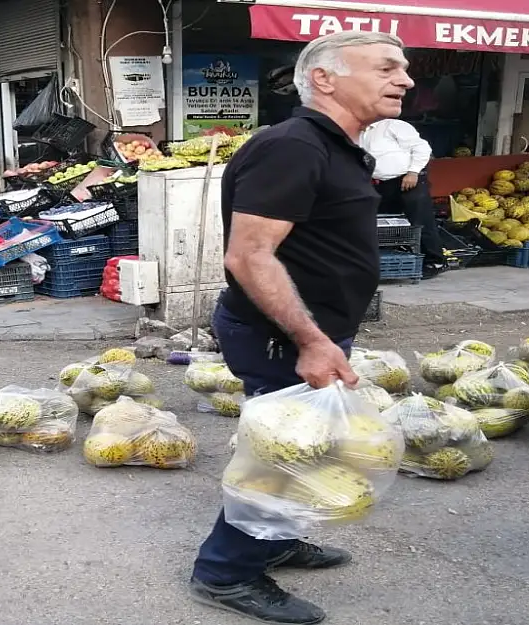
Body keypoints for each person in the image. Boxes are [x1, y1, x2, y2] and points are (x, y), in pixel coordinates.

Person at [187, 31, 414, 624]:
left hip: (311, 328)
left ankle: (276, 540)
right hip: (282, 334)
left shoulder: (335, 147)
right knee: (285, 454)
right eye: (387, 68)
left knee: (304, 448)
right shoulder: (292, 147)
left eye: (404, 69)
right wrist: (311, 341)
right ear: (324, 78)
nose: (405, 80)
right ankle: (226, 573)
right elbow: (249, 256)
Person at [360, 117, 447, 278]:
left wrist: (413, 172)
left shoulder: (392, 126)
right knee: (384, 222)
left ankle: (435, 260)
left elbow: (422, 148)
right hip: (380, 184)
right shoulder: (358, 133)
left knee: (420, 220)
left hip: (408, 179)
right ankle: (394, 258)